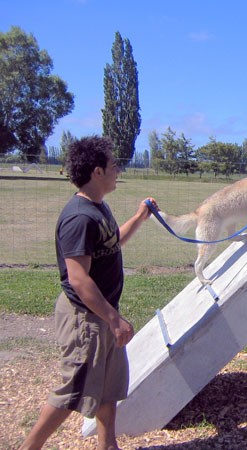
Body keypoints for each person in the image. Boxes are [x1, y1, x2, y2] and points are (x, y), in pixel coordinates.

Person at [19, 136, 158, 450]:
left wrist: (138, 218)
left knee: (108, 388)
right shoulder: (80, 217)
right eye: (113, 165)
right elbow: (79, 279)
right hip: (86, 316)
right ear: (97, 172)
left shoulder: (97, 208)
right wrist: (113, 319)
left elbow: (111, 243)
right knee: (74, 390)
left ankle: (108, 446)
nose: (118, 169)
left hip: (102, 313)